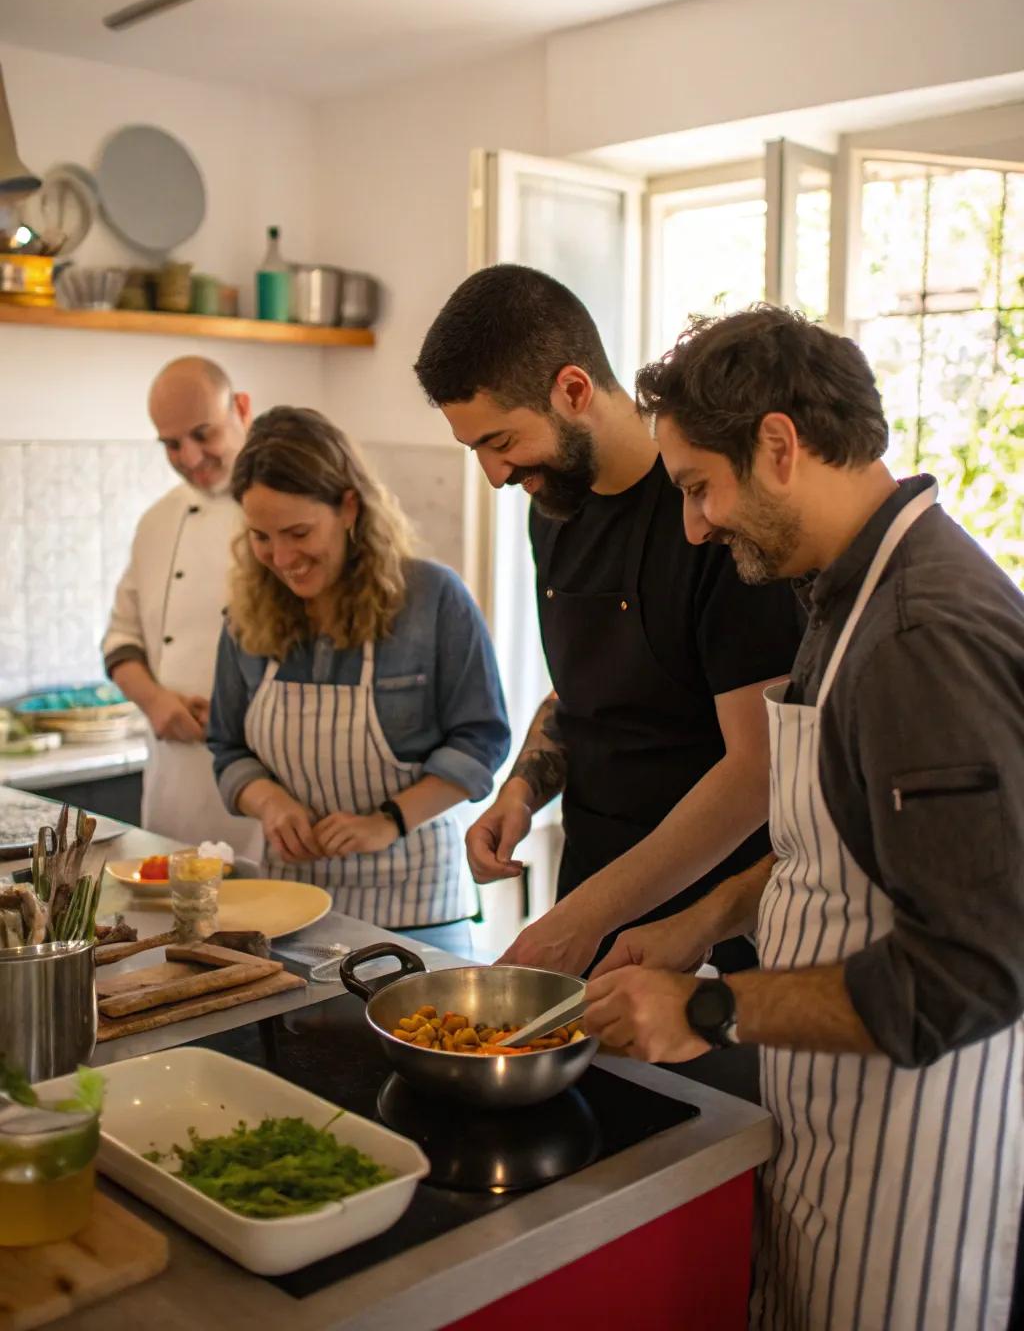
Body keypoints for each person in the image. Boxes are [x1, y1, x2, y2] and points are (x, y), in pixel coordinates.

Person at [584, 305, 1024, 1331]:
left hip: (915, 1163)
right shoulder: (847, 590)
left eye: (699, 488)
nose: (693, 525)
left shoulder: (922, 634)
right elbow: (835, 844)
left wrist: (706, 1009)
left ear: (777, 446)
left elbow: (977, 967)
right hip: (833, 1120)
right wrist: (705, 920)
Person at [414, 264, 804, 974]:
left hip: (714, 921)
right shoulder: (555, 510)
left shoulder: (713, 516)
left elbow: (758, 771)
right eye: (476, 451)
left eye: (501, 442)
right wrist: (521, 791)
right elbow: (585, 691)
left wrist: (590, 916)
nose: (495, 475)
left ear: (572, 390)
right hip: (592, 886)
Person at [206, 407, 510, 954]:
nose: (282, 558)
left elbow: (481, 741)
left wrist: (388, 821)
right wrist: (270, 803)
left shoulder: (433, 601)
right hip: (289, 908)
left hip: (416, 906)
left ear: (349, 507)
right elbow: (227, 748)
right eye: (261, 537)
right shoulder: (246, 618)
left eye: (299, 533)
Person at [102, 355, 260, 856]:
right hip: (173, 791)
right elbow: (120, 640)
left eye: (203, 434)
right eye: (172, 444)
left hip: (260, 796)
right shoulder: (157, 521)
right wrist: (155, 701)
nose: (190, 457)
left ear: (240, 408)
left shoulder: (288, 519)